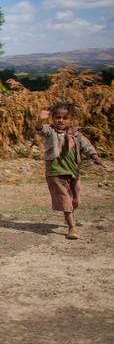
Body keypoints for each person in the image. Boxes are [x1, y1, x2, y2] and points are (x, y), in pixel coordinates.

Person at [35, 102, 103, 240]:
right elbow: (39, 128)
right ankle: (72, 227)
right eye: (57, 117)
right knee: (65, 197)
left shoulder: (76, 134)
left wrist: (94, 156)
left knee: (75, 198)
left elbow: (86, 146)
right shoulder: (50, 131)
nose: (61, 120)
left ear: (70, 119)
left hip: (73, 171)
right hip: (55, 171)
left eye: (64, 118)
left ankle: (70, 215)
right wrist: (40, 119)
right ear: (52, 118)